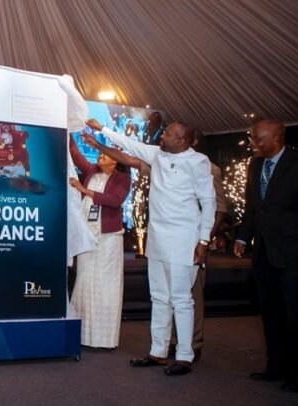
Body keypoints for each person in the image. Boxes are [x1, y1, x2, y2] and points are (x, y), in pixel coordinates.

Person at [84, 118, 215, 375]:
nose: (162, 136)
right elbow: (128, 145)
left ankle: (185, 355)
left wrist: (204, 240)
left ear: (183, 140)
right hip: (158, 239)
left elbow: (208, 202)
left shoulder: (198, 162)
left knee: (181, 299)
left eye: (167, 134)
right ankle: (158, 352)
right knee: (159, 297)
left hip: (184, 240)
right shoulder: (156, 155)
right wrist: (102, 130)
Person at [233, 119, 298, 392]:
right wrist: (242, 236)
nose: (255, 144)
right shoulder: (255, 165)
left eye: (260, 139)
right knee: (271, 314)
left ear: (277, 137)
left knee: (296, 316)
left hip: (296, 254)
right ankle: (275, 367)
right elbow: (253, 207)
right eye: (253, 139)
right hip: (264, 254)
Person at [169, 130, 229, 360]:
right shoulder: (168, 163)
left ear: (191, 142)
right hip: (171, 241)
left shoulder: (209, 168)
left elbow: (220, 208)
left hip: (194, 244)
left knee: (191, 295)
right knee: (171, 295)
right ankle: (175, 341)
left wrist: (203, 240)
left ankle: (193, 343)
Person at [68, 135, 131, 349]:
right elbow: (76, 155)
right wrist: (68, 127)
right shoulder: (91, 172)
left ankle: (103, 339)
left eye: (105, 155)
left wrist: (85, 191)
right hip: (88, 233)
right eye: (100, 154)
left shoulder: (122, 179)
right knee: (85, 280)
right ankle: (82, 334)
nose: (100, 156)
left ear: (115, 160)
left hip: (109, 238)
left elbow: (115, 201)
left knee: (105, 285)